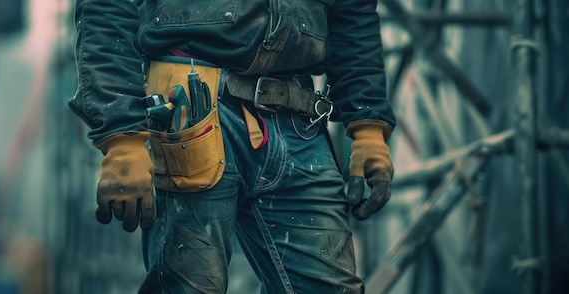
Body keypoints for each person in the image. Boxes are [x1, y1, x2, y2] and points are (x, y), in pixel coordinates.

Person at [69, 0, 396, 293]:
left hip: (299, 117)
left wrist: (368, 129)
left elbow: (353, 12)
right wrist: (123, 139)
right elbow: (106, 8)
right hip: (194, 112)